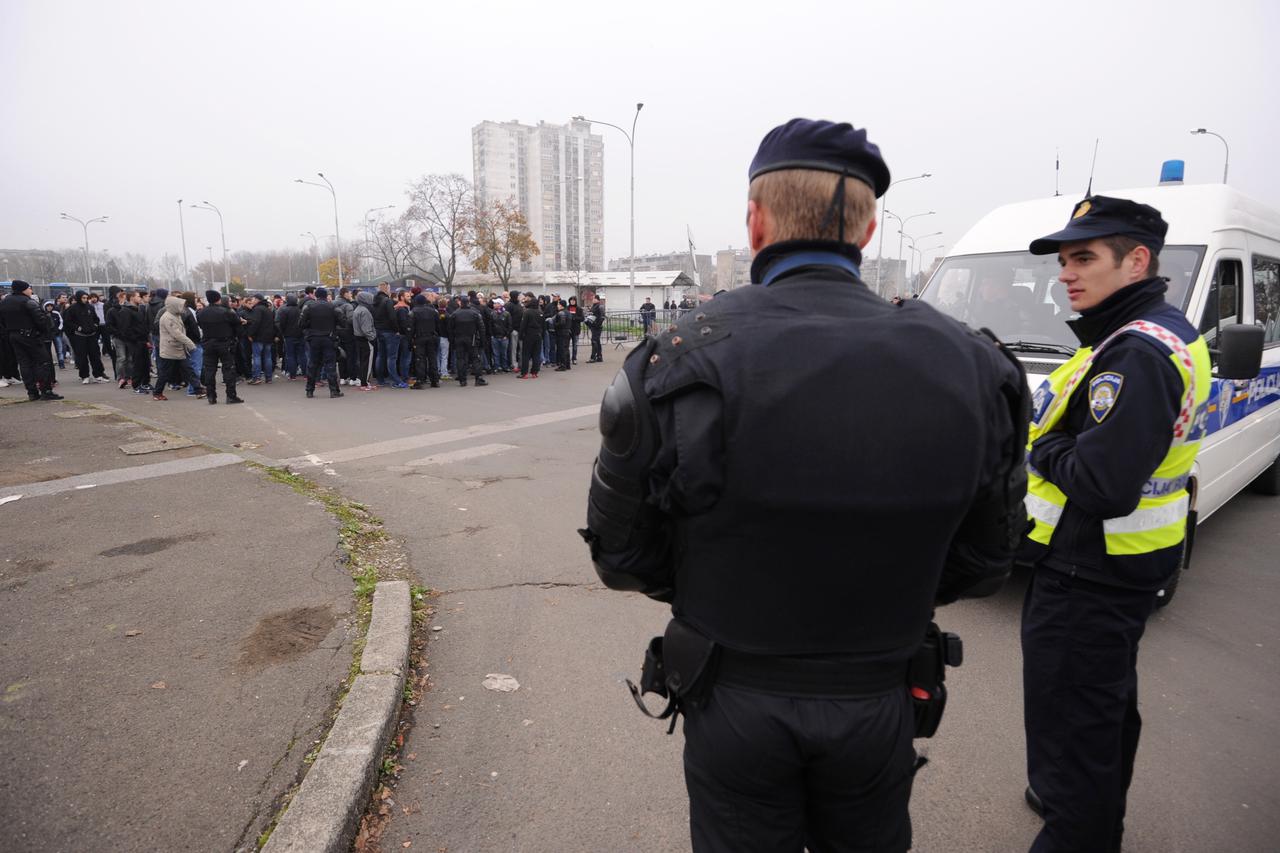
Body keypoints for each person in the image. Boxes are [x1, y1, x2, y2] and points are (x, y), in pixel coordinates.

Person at [579, 118, 1029, 852]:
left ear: (755, 221)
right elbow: (985, 564)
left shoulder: (674, 360)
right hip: (878, 694)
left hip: (734, 697)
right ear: (870, 227)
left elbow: (621, 557)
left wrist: (724, 592)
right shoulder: (974, 369)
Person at [1019, 196, 1211, 853]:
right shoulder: (1141, 333)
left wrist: (1040, 446)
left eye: (1084, 258)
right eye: (1065, 260)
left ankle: (1078, 830)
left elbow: (1101, 484)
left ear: (1136, 261)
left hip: (1088, 574)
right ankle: (1075, 803)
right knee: (1099, 711)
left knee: (1076, 725)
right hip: (1116, 566)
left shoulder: (1136, 354)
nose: (1067, 273)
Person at [0, 280, 61, 400]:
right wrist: (43, 332)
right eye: (29, 288)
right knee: (43, 362)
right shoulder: (27, 301)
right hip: (30, 335)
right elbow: (40, 319)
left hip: (13, 336)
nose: (31, 291)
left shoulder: (5, 302)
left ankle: (32, 392)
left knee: (24, 364)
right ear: (23, 289)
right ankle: (46, 390)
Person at [196, 290, 243, 404]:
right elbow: (237, 325)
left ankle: (211, 396)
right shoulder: (226, 312)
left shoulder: (201, 313)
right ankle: (231, 395)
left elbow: (200, 325)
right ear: (218, 299)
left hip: (208, 343)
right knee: (228, 369)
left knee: (209, 370)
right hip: (225, 343)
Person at [153, 294, 201, 401]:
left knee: (189, 370)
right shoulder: (167, 317)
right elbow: (177, 334)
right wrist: (191, 344)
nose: (183, 307)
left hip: (177, 349)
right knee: (165, 373)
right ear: (174, 306)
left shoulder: (175, 315)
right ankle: (157, 393)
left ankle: (198, 389)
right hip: (170, 349)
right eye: (180, 305)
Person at [299, 286, 343, 399]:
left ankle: (309, 391)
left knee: (312, 365)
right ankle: (334, 391)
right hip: (329, 339)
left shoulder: (309, 306)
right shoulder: (333, 307)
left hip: (314, 339)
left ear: (316, 295)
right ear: (325, 295)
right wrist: (335, 330)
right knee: (330, 366)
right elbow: (343, 322)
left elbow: (301, 324)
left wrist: (310, 329)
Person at [63, 290, 110, 384]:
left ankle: (98, 375)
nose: (85, 300)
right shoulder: (72, 309)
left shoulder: (90, 307)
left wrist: (95, 326)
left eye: (86, 298)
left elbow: (96, 319)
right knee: (82, 357)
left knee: (95, 356)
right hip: (80, 336)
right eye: (83, 298)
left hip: (92, 335)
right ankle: (85, 376)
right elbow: (68, 322)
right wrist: (78, 328)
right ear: (78, 298)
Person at [448, 297, 487, 387]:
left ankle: (462, 380)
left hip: (459, 339)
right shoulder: (475, 313)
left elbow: (450, 329)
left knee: (460, 359)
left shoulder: (455, 314)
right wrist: (482, 340)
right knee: (476, 359)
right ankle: (478, 379)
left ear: (460, 303)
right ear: (468, 303)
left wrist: (452, 341)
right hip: (471, 338)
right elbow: (481, 328)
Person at [410, 293, 441, 389]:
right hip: (432, 337)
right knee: (432, 359)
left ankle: (420, 380)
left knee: (420, 359)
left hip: (419, 338)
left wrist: (410, 339)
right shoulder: (434, 311)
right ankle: (435, 380)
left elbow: (411, 327)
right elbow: (438, 326)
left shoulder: (414, 312)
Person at [276, 294, 307, 380]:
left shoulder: (283, 310)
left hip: (289, 335)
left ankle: (292, 375)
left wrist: (283, 332)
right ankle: (306, 374)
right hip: (301, 335)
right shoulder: (300, 309)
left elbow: (279, 323)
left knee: (290, 355)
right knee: (302, 355)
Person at [352, 291, 378, 390]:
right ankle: (365, 383)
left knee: (363, 361)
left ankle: (364, 382)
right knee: (367, 362)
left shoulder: (358, 309)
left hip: (359, 338)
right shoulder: (365, 311)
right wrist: (372, 337)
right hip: (365, 339)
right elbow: (366, 329)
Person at [517, 292, 543, 378]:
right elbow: (543, 325)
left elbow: (523, 325)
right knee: (536, 354)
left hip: (529, 335)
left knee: (526, 354)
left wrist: (521, 336)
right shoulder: (540, 312)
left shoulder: (527, 312)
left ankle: (524, 373)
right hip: (538, 335)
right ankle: (534, 372)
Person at [553, 299, 572, 371]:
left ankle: (563, 365)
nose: (557, 306)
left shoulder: (562, 313)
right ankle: (567, 365)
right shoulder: (568, 312)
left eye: (558, 304)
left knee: (562, 349)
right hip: (567, 332)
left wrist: (554, 324)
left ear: (562, 305)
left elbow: (561, 323)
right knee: (566, 348)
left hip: (562, 333)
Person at [586, 294, 605, 363]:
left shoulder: (600, 306)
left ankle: (593, 357)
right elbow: (592, 315)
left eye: (594, 298)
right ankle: (599, 356)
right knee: (597, 341)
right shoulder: (594, 306)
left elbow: (602, 317)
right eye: (592, 299)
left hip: (597, 327)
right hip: (593, 326)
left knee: (594, 341)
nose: (592, 300)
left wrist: (597, 324)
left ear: (597, 299)